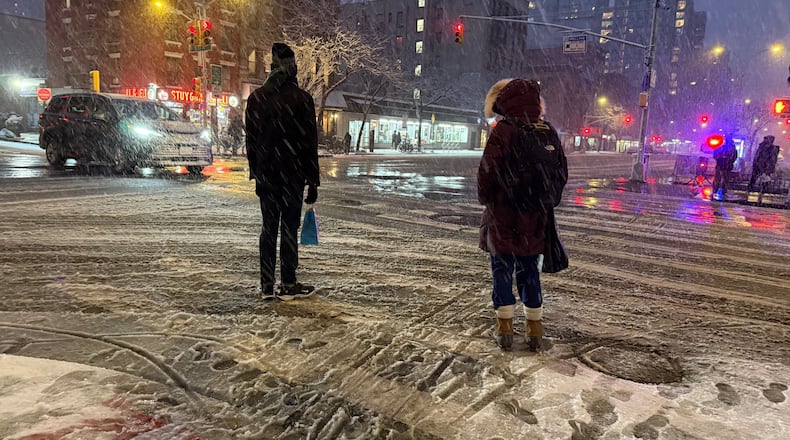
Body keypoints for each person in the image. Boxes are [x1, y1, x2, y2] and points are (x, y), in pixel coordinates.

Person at [477, 78, 568, 351]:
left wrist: (489, 199)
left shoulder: (504, 130)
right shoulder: (546, 130)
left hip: (504, 217)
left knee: (502, 270)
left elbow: (487, 173)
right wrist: (541, 200)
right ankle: (534, 329)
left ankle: (505, 328)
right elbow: (561, 173)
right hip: (535, 218)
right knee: (529, 271)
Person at [245, 42, 320, 300]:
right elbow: (309, 143)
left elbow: (251, 142)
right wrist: (313, 182)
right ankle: (288, 282)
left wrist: (256, 173)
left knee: (268, 229)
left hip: (267, 177)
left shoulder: (256, 99)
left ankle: (267, 284)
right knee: (289, 228)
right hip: (293, 177)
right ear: (293, 69)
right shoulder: (302, 100)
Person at [712, 134, 737, 200]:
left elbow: (715, 155)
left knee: (720, 179)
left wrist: (721, 159)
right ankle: (721, 191)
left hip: (723, 165)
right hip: (724, 165)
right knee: (723, 179)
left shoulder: (723, 147)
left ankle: (717, 190)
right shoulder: (730, 147)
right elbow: (733, 157)